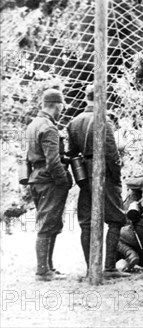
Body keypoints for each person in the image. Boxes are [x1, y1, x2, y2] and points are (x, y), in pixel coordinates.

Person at [66, 85, 129, 278]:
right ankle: (109, 268)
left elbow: (71, 154)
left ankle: (90, 268)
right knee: (116, 219)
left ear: (86, 98)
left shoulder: (74, 122)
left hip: (84, 176)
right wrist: (117, 177)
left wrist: (81, 177)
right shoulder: (104, 120)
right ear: (103, 98)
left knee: (86, 222)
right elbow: (112, 152)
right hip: (104, 174)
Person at [25, 89, 72, 281]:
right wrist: (64, 181)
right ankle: (42, 271)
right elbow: (53, 162)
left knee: (50, 223)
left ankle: (48, 268)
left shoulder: (32, 125)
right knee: (47, 225)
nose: (61, 110)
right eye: (61, 107)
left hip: (37, 179)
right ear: (57, 105)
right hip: (49, 181)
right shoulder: (49, 127)